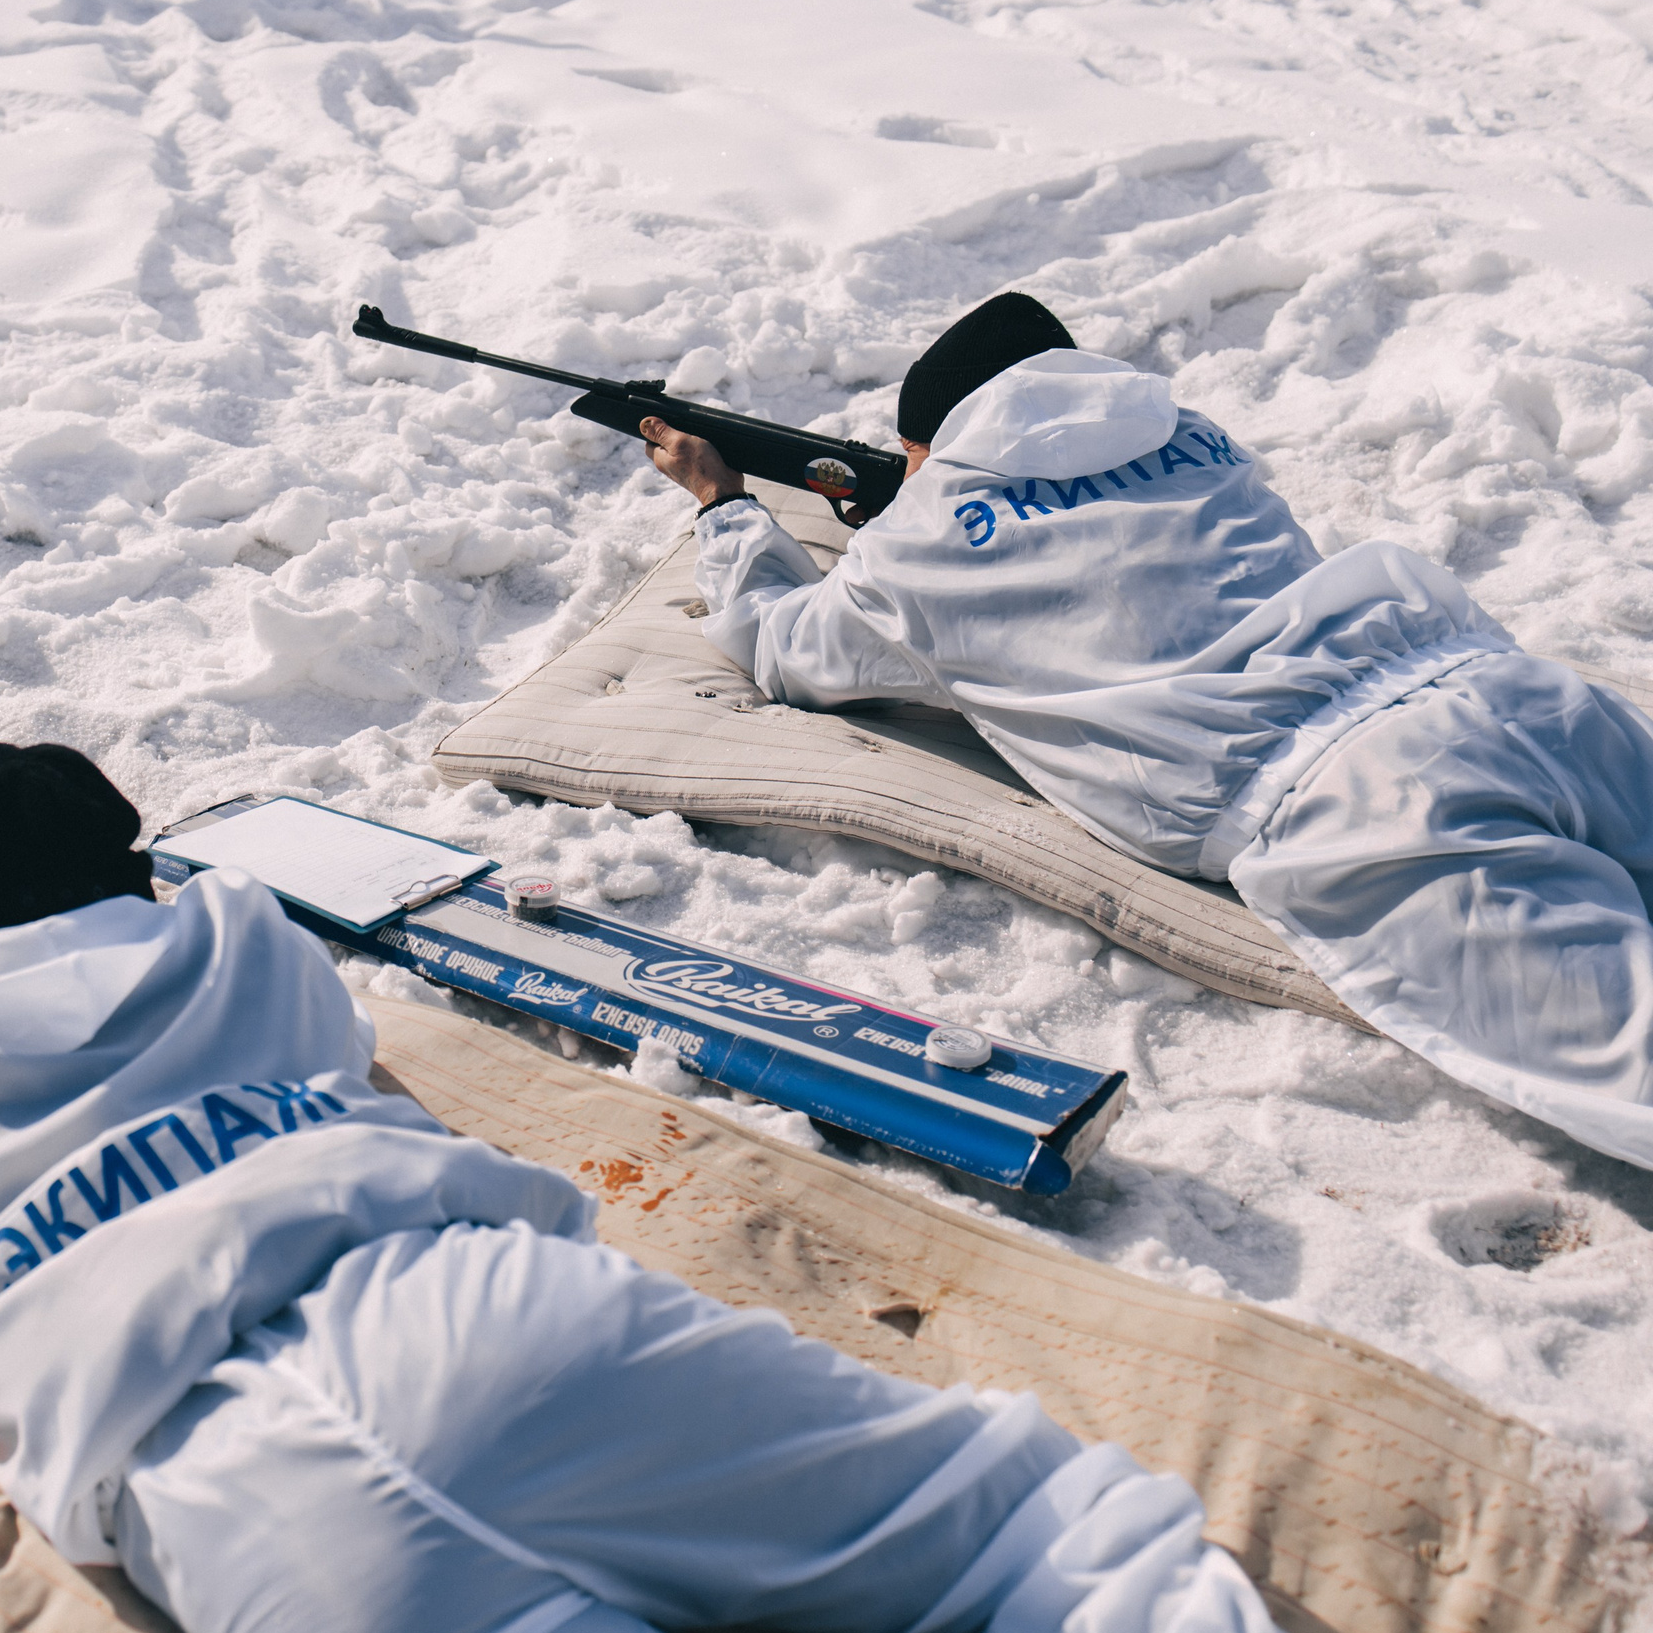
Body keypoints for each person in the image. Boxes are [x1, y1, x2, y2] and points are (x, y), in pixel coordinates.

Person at [0, 744, 1316, 1633]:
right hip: (480, 1315)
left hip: (231, 1502)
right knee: (1043, 1534)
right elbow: (178, 918)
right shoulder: (239, 946)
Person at [641, 293, 1653, 1171]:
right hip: (1515, 695)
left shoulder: (913, 546)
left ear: (932, 445)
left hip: (1360, 800)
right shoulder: (1192, 433)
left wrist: (723, 503)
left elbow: (780, 646)